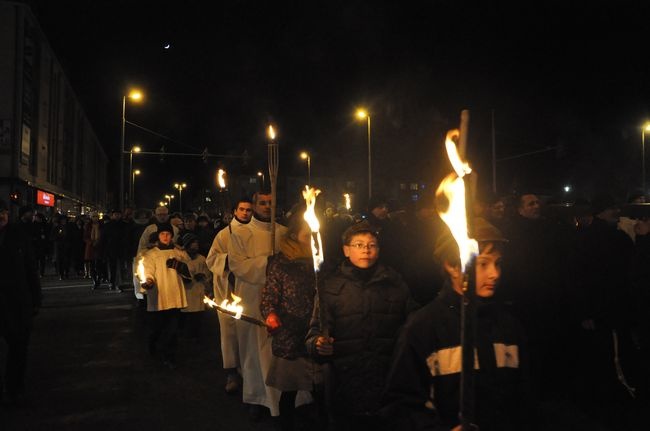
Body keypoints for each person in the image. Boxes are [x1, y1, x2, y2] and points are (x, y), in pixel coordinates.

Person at [383, 218, 530, 430]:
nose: (495, 274)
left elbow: (524, 400)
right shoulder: (423, 328)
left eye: (498, 263)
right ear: (452, 266)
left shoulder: (508, 326)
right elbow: (400, 406)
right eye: (483, 264)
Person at [305, 220, 415, 429]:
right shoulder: (331, 287)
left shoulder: (394, 283)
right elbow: (313, 334)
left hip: (387, 380)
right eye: (359, 244)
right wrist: (318, 344)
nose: (366, 249)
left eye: (372, 245)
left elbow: (413, 324)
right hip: (344, 383)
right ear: (346, 250)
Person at [229, 191, 296, 420]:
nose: (267, 207)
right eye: (263, 203)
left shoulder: (284, 233)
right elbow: (238, 266)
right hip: (251, 296)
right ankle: (256, 396)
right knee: (252, 351)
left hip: (282, 299)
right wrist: (268, 263)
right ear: (255, 205)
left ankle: (287, 397)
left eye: (271, 203)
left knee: (280, 347)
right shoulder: (241, 233)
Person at [260, 204, 322, 431]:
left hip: (317, 333)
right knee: (290, 390)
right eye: (307, 234)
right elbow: (268, 298)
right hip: (291, 334)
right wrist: (272, 316)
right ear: (295, 235)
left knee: (321, 389)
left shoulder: (320, 260)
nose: (312, 238)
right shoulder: (281, 262)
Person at [205, 197, 253, 394]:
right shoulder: (224, 235)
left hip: (249, 289)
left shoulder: (256, 233)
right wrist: (230, 261)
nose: (245, 213)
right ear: (235, 211)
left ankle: (250, 372)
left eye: (249, 210)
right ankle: (232, 372)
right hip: (228, 288)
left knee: (250, 333)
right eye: (242, 209)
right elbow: (212, 259)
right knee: (229, 333)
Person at [0, 199, 42, 406]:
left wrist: (36, 298)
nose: (1, 216)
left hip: (18, 299)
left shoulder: (18, 236)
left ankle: (14, 387)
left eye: (3, 212)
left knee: (19, 345)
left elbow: (30, 268)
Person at [140, 223, 192, 369]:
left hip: (175, 296)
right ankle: (153, 344)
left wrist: (181, 267)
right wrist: (149, 280)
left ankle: (169, 356)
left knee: (172, 329)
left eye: (168, 234)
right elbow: (148, 270)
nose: (165, 236)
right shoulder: (151, 254)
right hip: (159, 296)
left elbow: (190, 267)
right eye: (162, 234)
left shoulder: (178, 253)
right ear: (158, 236)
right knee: (158, 328)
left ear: (171, 236)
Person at [179, 233, 211, 339]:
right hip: (186, 291)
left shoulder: (201, 259)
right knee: (186, 317)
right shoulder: (181, 258)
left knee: (197, 318)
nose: (195, 245)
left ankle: (196, 337)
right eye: (192, 243)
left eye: (196, 243)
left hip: (198, 291)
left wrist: (204, 277)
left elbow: (208, 273)